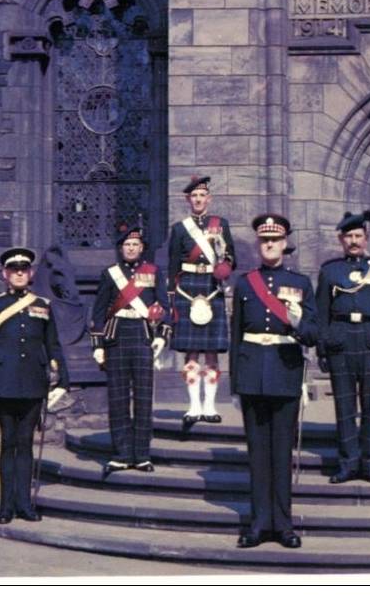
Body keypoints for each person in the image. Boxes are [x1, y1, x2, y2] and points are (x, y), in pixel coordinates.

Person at [230, 214, 318, 549]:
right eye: (264, 240)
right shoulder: (244, 283)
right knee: (257, 455)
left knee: (282, 453)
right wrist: (235, 383)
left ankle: (283, 524)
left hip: (285, 373)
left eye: (275, 240)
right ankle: (258, 523)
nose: (269, 245)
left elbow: (313, 334)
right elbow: (236, 334)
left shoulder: (301, 283)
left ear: (285, 244)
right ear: (259, 244)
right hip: (252, 374)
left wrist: (296, 321)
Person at [0, 247, 69, 524]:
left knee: (26, 443)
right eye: (14, 270)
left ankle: (24, 503)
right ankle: (5, 505)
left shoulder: (43, 304)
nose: (19, 274)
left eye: (24, 270)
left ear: (29, 274)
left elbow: (52, 344)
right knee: (8, 443)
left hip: (32, 383)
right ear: (6, 274)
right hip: (3, 382)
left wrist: (62, 379)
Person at [316, 210, 370, 485]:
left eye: (358, 236)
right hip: (339, 339)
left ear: (367, 238)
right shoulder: (330, 271)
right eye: (349, 236)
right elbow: (322, 313)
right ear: (341, 240)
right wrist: (321, 348)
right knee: (344, 407)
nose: (353, 241)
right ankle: (347, 464)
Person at [90, 225, 171, 475]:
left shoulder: (154, 272)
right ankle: (122, 453)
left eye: (135, 244)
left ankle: (142, 454)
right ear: (121, 248)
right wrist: (98, 345)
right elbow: (98, 310)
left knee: (144, 398)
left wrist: (162, 337)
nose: (131, 248)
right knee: (118, 398)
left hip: (143, 335)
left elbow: (165, 307)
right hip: (116, 337)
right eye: (127, 245)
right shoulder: (110, 274)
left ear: (142, 248)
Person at [167, 175, 235, 427]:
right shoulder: (179, 228)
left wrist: (225, 268)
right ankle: (194, 405)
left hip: (212, 288)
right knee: (191, 352)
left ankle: (210, 405)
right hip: (187, 290)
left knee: (212, 353)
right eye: (193, 196)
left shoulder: (221, 224)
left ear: (209, 198)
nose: (198, 199)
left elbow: (231, 257)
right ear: (188, 199)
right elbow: (173, 264)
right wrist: (172, 296)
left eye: (201, 195)